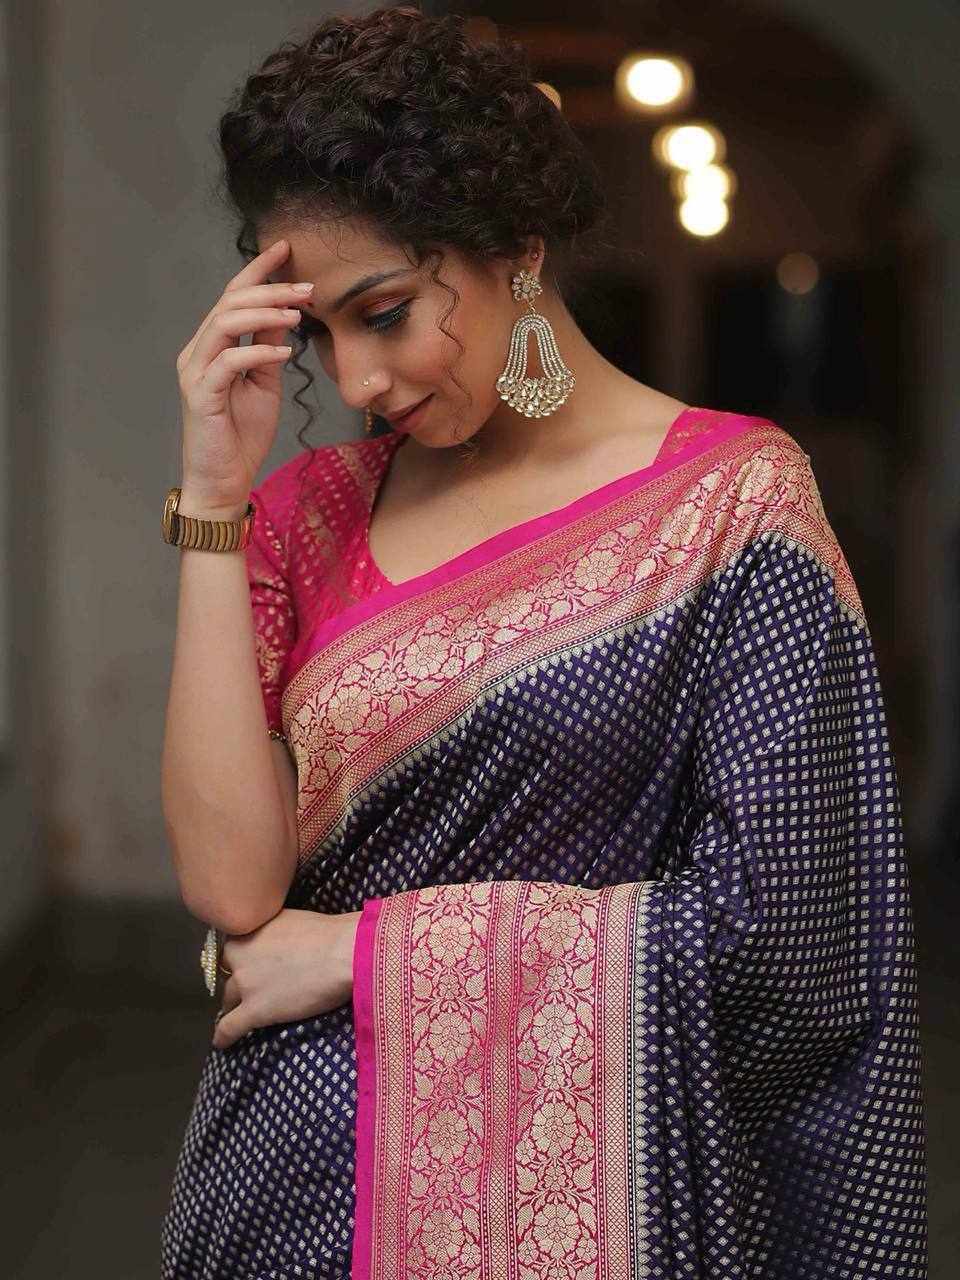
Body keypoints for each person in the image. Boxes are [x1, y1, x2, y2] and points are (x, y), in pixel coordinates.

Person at [159, 7, 928, 1279]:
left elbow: (789, 935)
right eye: (318, 335)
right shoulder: (304, 516)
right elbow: (232, 893)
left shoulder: (731, 510)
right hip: (292, 1200)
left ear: (515, 248)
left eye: (385, 312)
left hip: (596, 1208)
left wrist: (363, 953)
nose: (353, 380)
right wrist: (212, 498)